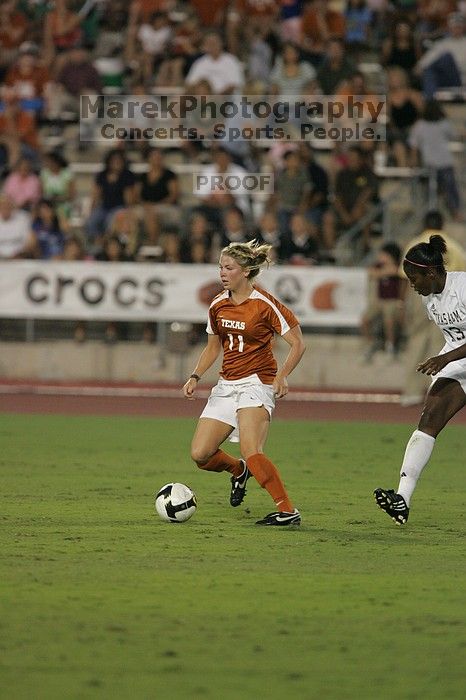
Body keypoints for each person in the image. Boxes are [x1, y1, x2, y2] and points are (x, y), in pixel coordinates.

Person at [182, 239, 306, 526]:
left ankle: (288, 511)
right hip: (226, 385)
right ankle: (239, 471)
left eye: (229, 268)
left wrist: (282, 374)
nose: (222, 273)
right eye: (220, 267)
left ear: (246, 271)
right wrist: (195, 375)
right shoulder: (217, 304)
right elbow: (214, 347)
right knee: (200, 454)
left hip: (256, 383)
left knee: (252, 450)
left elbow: (297, 343)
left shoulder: (264, 304)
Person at [374, 235, 466, 525]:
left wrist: (444, 359)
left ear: (431, 272)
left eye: (414, 278)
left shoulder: (463, 287)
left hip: (453, 359)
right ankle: (402, 499)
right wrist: (448, 359)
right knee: (428, 420)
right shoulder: (430, 298)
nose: (411, 285)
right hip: (459, 362)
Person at [399, 210, 466, 406]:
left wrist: (403, 302)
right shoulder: (454, 245)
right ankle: (446, 390)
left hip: (430, 292)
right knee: (443, 342)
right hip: (442, 292)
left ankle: (411, 391)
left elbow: (405, 278)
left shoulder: (415, 244)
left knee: (417, 342)